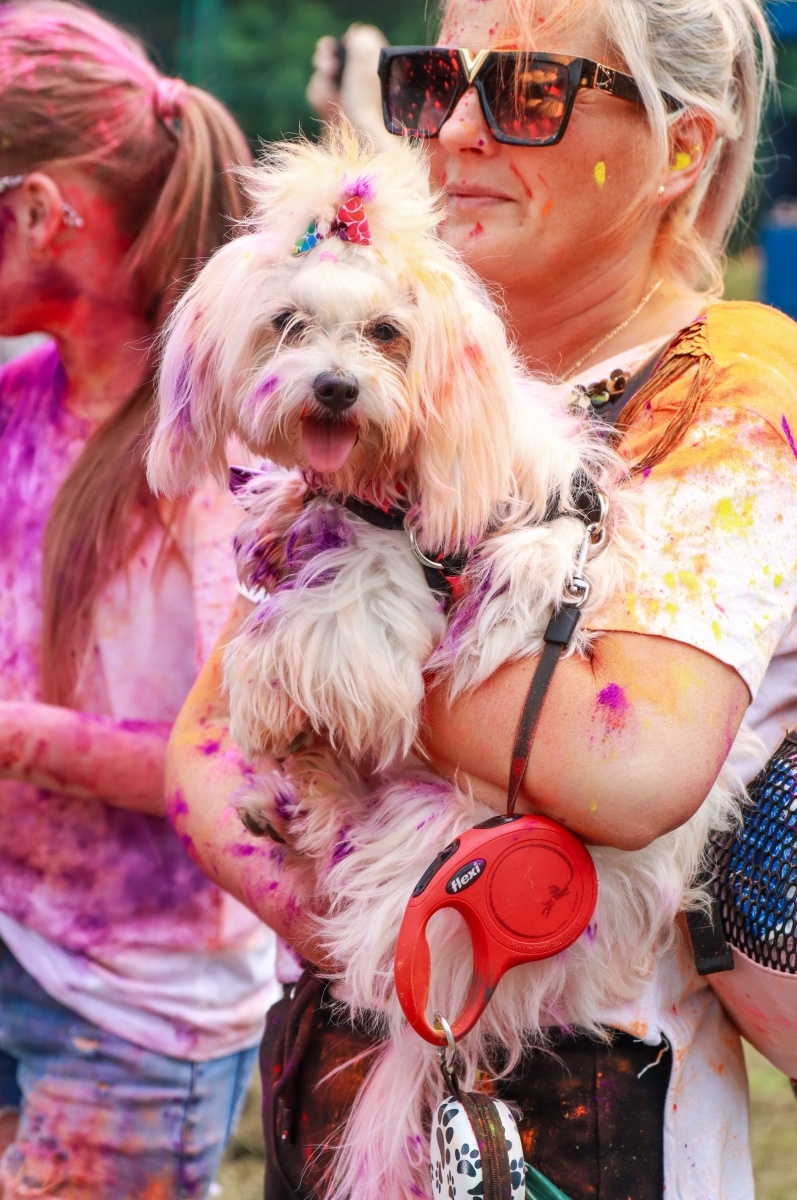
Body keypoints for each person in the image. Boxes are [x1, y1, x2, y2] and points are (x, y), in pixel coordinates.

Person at [166, 0, 797, 1197]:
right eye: (433, 83)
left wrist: (352, 649)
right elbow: (209, 747)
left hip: (591, 1117)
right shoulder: (389, 389)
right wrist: (373, 944)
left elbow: (627, 763)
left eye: (526, 92)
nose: (455, 129)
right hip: (344, 1063)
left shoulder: (725, 391)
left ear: (678, 147)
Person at [0, 2, 284, 1196]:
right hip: (21, 940)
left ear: (39, 211)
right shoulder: (22, 395)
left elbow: (235, 759)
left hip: (133, 1016)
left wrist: (13, 737)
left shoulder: (223, 457)